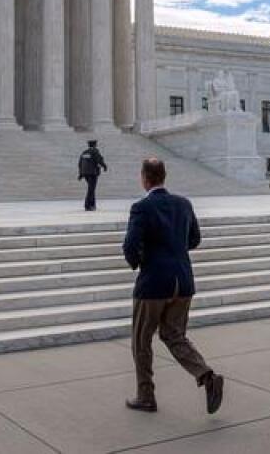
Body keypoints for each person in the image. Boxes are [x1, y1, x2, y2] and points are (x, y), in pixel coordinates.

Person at [122, 157, 224, 415]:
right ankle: (206, 375)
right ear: (164, 177)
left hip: (154, 284)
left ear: (145, 178)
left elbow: (130, 246)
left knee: (141, 340)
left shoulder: (141, 207)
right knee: (174, 335)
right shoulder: (184, 204)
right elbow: (195, 239)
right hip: (183, 281)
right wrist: (175, 252)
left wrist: (140, 261)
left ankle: (146, 396)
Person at [78, 140, 108, 211]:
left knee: (91, 189)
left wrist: (81, 174)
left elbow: (80, 163)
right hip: (92, 173)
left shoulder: (84, 152)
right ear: (95, 145)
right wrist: (104, 166)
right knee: (91, 189)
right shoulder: (95, 151)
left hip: (85, 173)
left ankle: (92, 204)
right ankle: (88, 205)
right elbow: (99, 160)